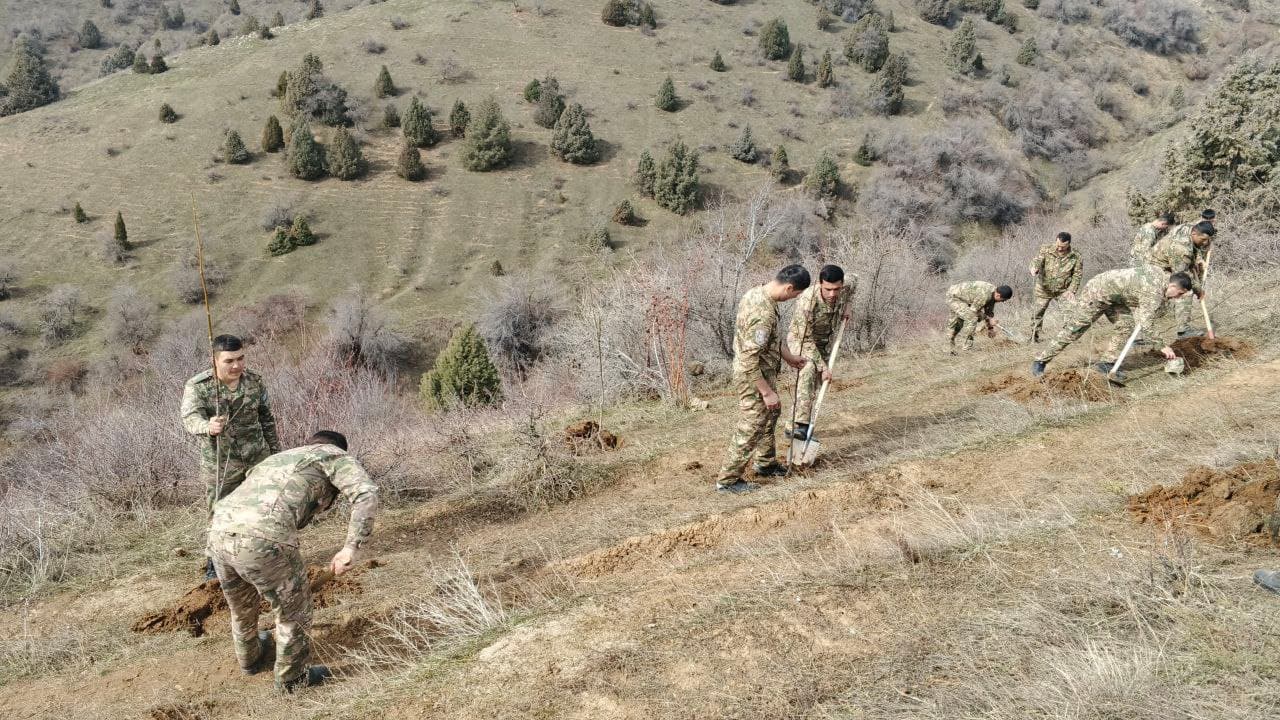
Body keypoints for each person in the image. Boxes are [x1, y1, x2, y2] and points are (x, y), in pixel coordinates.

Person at [208, 430, 379, 693]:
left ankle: (250, 658)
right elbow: (365, 494)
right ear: (340, 449)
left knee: (241, 605)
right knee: (294, 612)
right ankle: (292, 679)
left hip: (218, 532)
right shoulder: (335, 455)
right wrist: (350, 549)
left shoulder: (280, 458)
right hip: (262, 537)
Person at [181, 334, 280, 579]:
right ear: (215, 361)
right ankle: (216, 564)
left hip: (257, 457)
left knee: (263, 509)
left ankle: (261, 557)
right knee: (220, 513)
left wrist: (276, 455)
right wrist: (207, 426)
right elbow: (190, 417)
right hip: (220, 462)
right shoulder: (199, 386)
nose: (236, 365)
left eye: (240, 358)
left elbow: (267, 419)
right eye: (229, 361)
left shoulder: (254, 381)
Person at [715, 265, 811, 494]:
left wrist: (789, 358)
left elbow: (772, 340)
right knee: (752, 423)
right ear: (789, 288)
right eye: (795, 294)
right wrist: (766, 392)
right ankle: (727, 480)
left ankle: (765, 464)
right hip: (752, 375)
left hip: (763, 370)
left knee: (772, 413)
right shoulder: (763, 314)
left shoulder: (758, 293)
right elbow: (749, 359)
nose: (793, 299)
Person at [1031, 270, 1194, 381]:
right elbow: (1145, 322)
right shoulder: (1154, 290)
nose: (1177, 298)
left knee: (1126, 325)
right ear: (1172, 286)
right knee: (1075, 330)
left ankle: (1106, 363)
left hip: (1116, 298)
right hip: (1097, 293)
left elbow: (1175, 286)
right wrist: (1163, 346)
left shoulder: (1165, 277)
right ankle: (1041, 360)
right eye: (1179, 294)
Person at [785, 264, 855, 443]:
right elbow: (805, 338)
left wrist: (848, 304)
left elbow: (855, 280)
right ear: (820, 284)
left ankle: (789, 425)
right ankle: (801, 426)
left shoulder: (846, 285)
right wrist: (823, 367)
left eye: (837, 289)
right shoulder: (807, 301)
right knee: (808, 370)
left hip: (825, 342)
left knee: (814, 384)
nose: (833, 294)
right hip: (801, 340)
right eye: (828, 289)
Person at [1145, 220, 1215, 337]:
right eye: (1203, 240)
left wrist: (1198, 260)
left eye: (1207, 239)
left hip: (1167, 261)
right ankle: (1183, 330)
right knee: (1185, 290)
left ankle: (1146, 330)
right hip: (1155, 267)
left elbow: (1194, 246)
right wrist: (1199, 290)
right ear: (1194, 234)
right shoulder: (1181, 249)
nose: (1205, 243)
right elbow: (1183, 275)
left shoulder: (1191, 227)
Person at [1028, 232, 1083, 343]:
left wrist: (1071, 290)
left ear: (1068, 244)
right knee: (1037, 313)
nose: (1059, 248)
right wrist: (1034, 268)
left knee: (1071, 312)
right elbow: (1037, 260)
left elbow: (1077, 275)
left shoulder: (1076, 256)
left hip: (1063, 290)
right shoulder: (1045, 249)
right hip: (1044, 289)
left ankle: (1069, 338)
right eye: (1058, 245)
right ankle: (1033, 337)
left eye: (1063, 247)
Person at [945, 282, 1013, 353]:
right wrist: (988, 319)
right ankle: (967, 349)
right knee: (971, 318)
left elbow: (989, 313)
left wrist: (990, 329)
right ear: (998, 295)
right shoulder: (984, 295)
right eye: (1003, 300)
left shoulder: (993, 295)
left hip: (965, 299)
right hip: (954, 298)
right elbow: (974, 312)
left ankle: (948, 349)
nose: (1002, 302)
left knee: (958, 321)